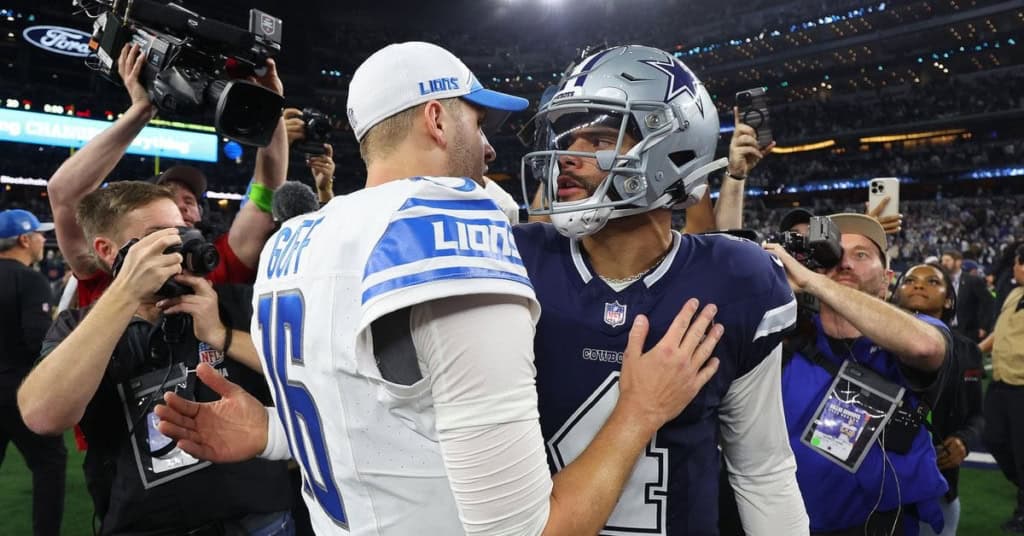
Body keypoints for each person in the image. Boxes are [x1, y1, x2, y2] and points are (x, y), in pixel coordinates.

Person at [156, 41, 723, 535]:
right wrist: (638, 412)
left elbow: (373, 419)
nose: (491, 148)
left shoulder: (295, 238)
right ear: (436, 119)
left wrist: (275, 434)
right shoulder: (447, 231)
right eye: (478, 124)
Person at [516, 45, 807, 534]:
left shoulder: (737, 279)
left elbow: (762, 470)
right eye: (568, 139)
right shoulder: (517, 261)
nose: (568, 157)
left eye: (599, 138)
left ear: (671, 150)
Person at [17, 182, 293, 535]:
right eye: (159, 237)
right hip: (144, 525)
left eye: (182, 232)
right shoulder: (80, 326)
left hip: (258, 520)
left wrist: (220, 334)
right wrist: (128, 291)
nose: (180, 245)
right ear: (109, 250)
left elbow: (311, 374)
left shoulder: (232, 304)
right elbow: (42, 415)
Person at [46, 43, 289, 308]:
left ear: (199, 215)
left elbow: (267, 194)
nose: (182, 205)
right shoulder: (108, 265)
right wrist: (141, 110)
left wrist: (269, 107)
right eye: (169, 200)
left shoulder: (215, 262)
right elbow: (64, 195)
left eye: (190, 200)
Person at [765, 214, 952, 535]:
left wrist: (813, 282)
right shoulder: (789, 338)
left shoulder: (918, 329)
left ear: (887, 279)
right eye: (835, 252)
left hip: (878, 526)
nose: (845, 263)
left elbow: (925, 348)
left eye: (861, 255)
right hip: (787, 522)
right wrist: (735, 179)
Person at [892, 263, 984, 536]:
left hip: (937, 489)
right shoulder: (868, 341)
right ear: (895, 293)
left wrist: (964, 441)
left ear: (948, 299)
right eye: (909, 280)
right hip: (876, 487)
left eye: (932, 281)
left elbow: (977, 415)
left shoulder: (967, 351)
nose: (918, 285)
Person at [0, 209, 65, 536]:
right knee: (49, 465)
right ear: (24, 240)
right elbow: (37, 342)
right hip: (19, 391)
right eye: (38, 234)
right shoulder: (29, 278)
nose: (43, 239)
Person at [980, 244, 1024, 533]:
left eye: (1018, 264)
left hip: (1022, 385)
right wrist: (977, 350)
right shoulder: (1015, 293)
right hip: (1000, 381)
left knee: (1022, 451)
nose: (1014, 269)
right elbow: (1001, 329)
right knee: (994, 438)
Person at [941, 249, 994, 342]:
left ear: (958, 262)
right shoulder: (942, 282)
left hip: (968, 332)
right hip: (946, 330)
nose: (944, 263)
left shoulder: (972, 281)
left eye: (947, 260)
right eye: (942, 260)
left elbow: (987, 303)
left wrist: (984, 327)